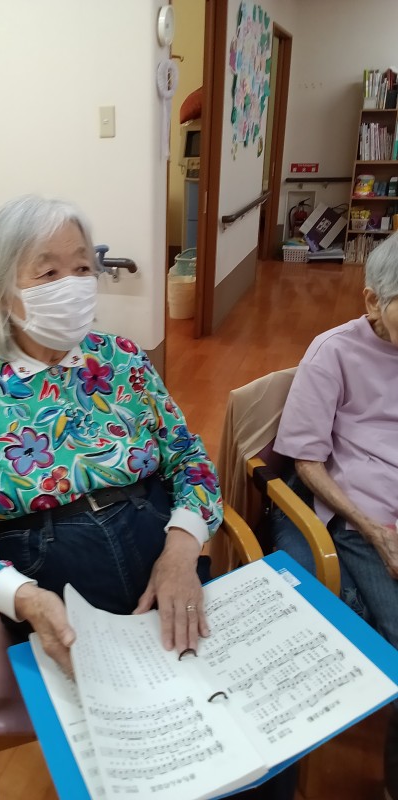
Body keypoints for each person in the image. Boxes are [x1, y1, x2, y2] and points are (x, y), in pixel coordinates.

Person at [0, 195, 223, 676]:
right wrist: (23, 597)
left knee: (214, 684)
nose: (72, 286)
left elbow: (188, 459)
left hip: (156, 536)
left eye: (81, 268)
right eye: (48, 273)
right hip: (46, 572)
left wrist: (182, 551)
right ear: (2, 292)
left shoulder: (121, 358)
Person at [273, 232, 398, 800]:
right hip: (366, 517)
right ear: (372, 300)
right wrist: (373, 529)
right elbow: (305, 460)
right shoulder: (334, 352)